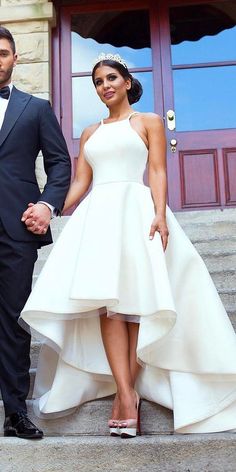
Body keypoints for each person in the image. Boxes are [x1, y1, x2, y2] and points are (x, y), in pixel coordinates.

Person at [21, 52, 236, 438]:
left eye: (110, 79)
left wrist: (159, 213)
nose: (105, 86)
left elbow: (156, 169)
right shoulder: (90, 133)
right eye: (98, 82)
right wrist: (50, 209)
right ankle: (125, 392)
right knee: (107, 307)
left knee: (134, 306)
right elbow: (81, 183)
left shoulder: (149, 121)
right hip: (99, 220)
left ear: (126, 81)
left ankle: (128, 393)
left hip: (136, 214)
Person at [0, 26, 71, 439]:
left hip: (17, 227)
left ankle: (14, 412)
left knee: (12, 320)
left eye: (3, 53)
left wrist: (46, 205)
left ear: (14, 58)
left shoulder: (36, 108)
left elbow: (60, 163)